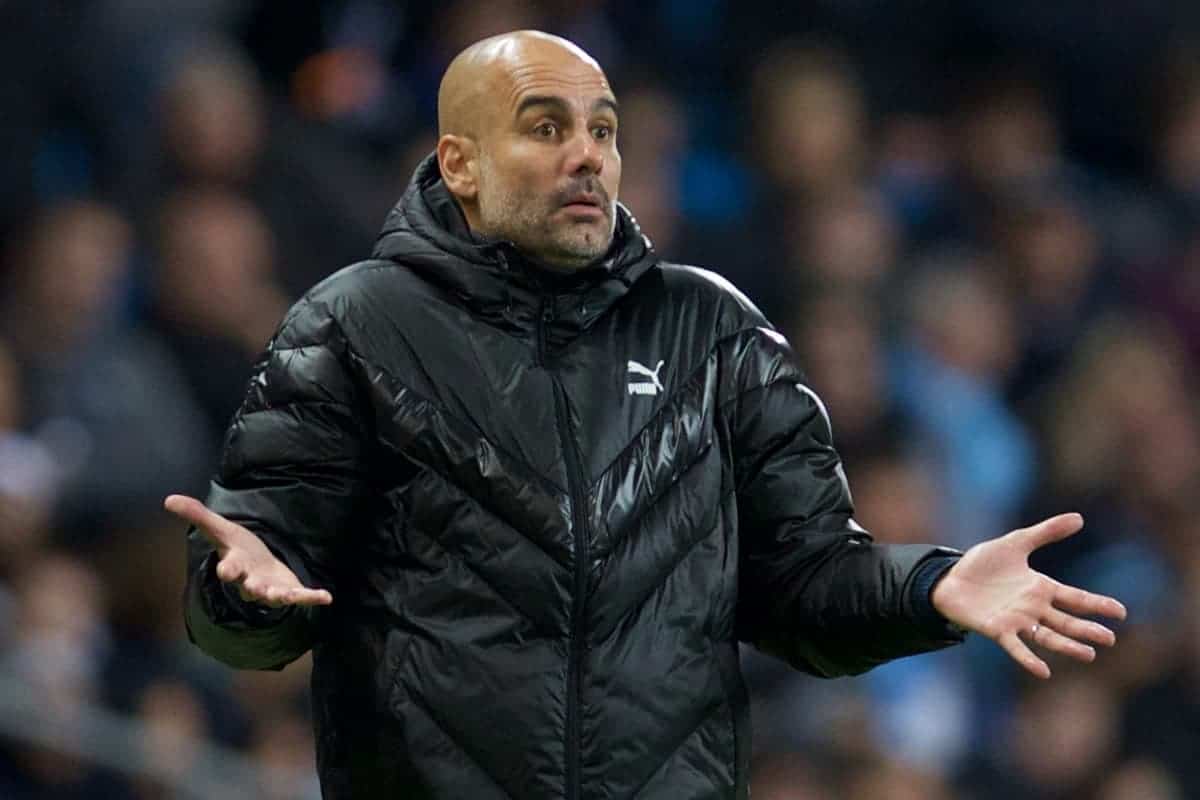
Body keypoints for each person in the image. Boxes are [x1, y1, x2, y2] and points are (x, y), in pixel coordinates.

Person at [167, 30, 1126, 800]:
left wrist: (929, 586)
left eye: (605, 129)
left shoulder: (711, 328)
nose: (587, 154)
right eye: (545, 128)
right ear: (458, 164)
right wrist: (237, 596)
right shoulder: (352, 325)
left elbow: (803, 584)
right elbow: (253, 612)